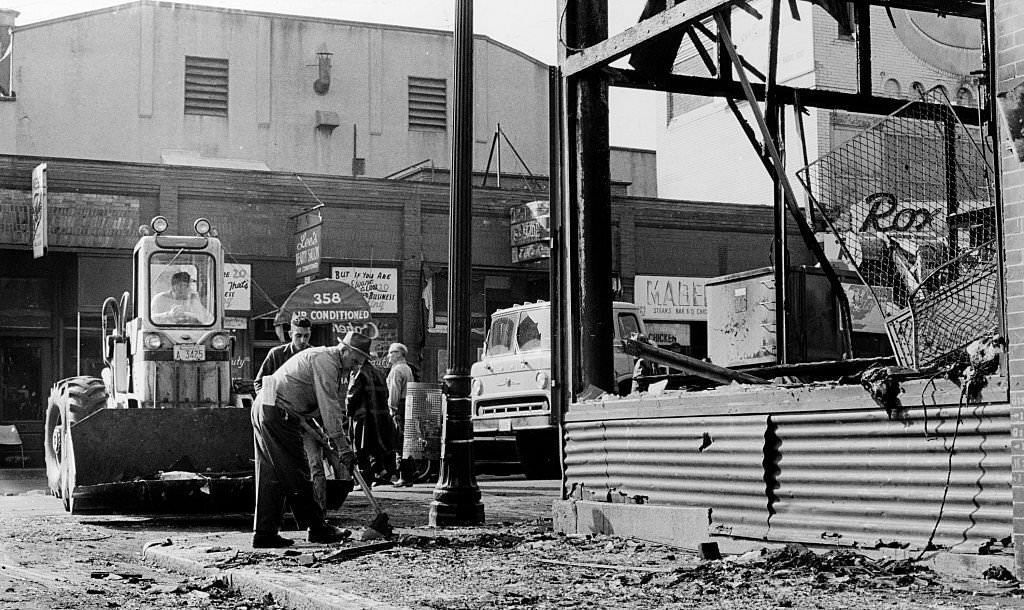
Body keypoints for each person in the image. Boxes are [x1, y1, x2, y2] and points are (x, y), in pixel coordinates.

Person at [249, 331, 371, 549]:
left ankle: (265, 533)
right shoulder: (326, 361)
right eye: (354, 361)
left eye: (358, 365)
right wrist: (343, 448)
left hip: (266, 406)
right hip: (277, 411)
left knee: (271, 474)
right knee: (297, 471)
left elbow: (310, 405)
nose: (354, 367)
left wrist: (328, 435)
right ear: (344, 350)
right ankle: (317, 528)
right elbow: (329, 406)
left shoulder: (322, 358)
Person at [253, 317, 333, 512]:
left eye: (306, 336)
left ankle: (319, 513)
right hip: (281, 419)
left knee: (315, 466)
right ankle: (297, 513)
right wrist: (273, 406)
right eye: (298, 336)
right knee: (285, 467)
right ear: (290, 334)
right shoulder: (276, 354)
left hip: (308, 420)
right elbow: (259, 384)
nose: (303, 340)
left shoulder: (317, 356)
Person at [346, 354, 395, 487]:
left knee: (361, 449)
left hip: (362, 417)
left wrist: (348, 412)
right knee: (375, 446)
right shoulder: (379, 373)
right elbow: (386, 394)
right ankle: (379, 471)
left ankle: (365, 480)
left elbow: (352, 396)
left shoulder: (357, 373)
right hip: (379, 416)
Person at [386, 343, 415, 487]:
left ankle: (402, 476)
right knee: (407, 441)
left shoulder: (397, 370)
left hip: (399, 408)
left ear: (398, 353)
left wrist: (392, 409)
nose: (388, 355)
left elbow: (394, 392)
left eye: (391, 352)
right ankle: (408, 476)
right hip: (408, 405)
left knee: (399, 441)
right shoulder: (408, 368)